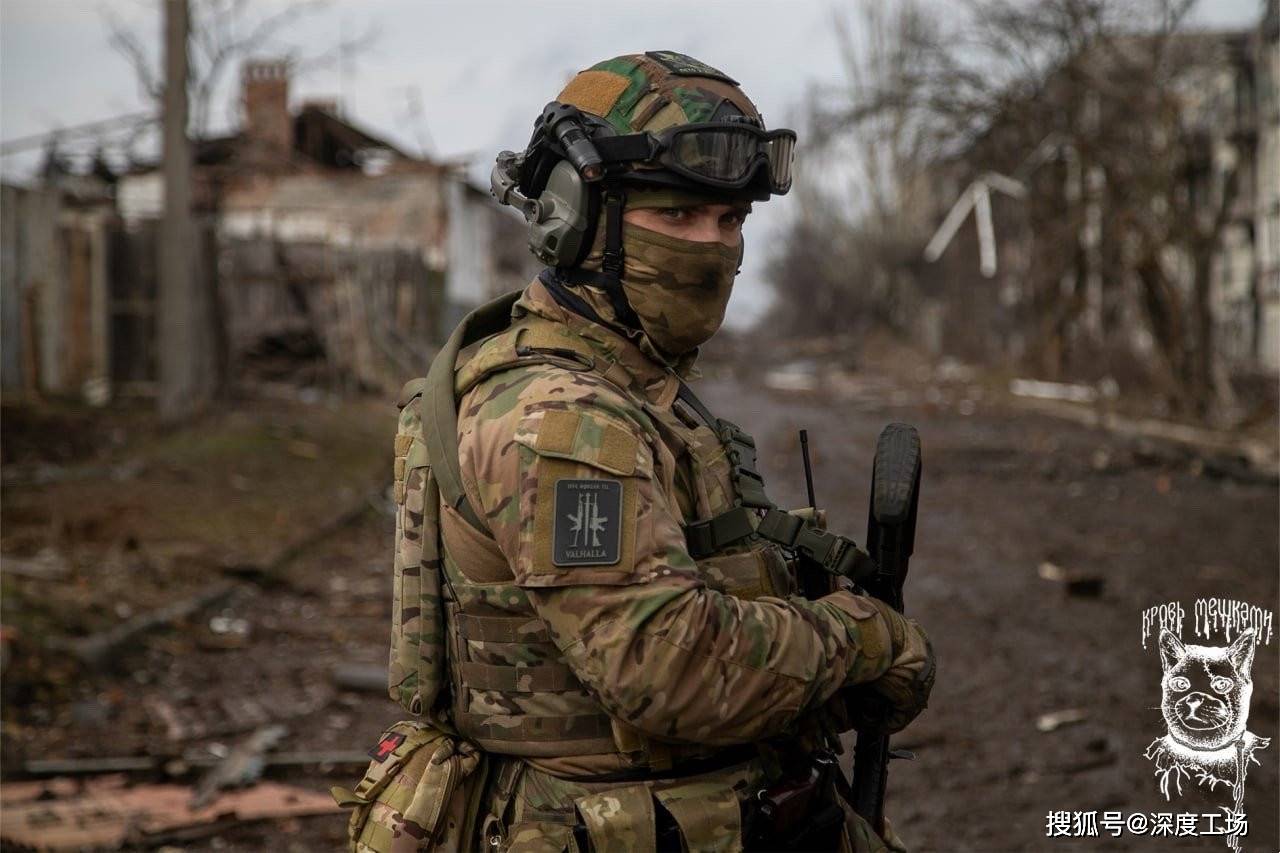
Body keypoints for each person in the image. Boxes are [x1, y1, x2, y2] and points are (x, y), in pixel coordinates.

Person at [367, 51, 935, 853]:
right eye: (676, 216)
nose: (711, 247)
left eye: (730, 221)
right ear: (576, 220)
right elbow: (669, 669)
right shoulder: (559, 420)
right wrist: (860, 639)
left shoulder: (630, 380)